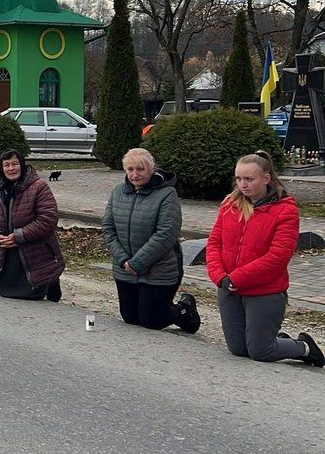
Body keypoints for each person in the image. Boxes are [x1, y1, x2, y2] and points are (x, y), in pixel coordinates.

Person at [206, 152, 323, 366]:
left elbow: (278, 256)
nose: (243, 184)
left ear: (266, 179)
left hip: (265, 292)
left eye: (249, 179)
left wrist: (237, 278)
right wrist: (220, 276)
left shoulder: (285, 210)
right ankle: (274, 340)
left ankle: (303, 347)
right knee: (239, 349)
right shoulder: (230, 205)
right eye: (239, 178)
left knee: (261, 351)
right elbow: (214, 243)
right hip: (229, 288)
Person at [103, 148, 199, 332]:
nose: (135, 174)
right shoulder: (118, 192)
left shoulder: (167, 194)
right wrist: (123, 260)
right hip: (125, 269)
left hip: (158, 269)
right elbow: (108, 228)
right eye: (130, 169)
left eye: (140, 169)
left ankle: (184, 310)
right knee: (131, 317)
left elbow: (166, 233)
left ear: (152, 169)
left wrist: (138, 262)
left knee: (151, 320)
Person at [0, 150, 65, 301]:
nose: (11, 168)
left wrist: (19, 236)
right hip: (3, 249)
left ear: (22, 165)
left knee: (33, 294)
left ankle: (50, 284)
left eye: (15, 164)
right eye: (7, 165)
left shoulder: (39, 187)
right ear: (1, 168)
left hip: (34, 250)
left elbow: (48, 219)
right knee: (5, 292)